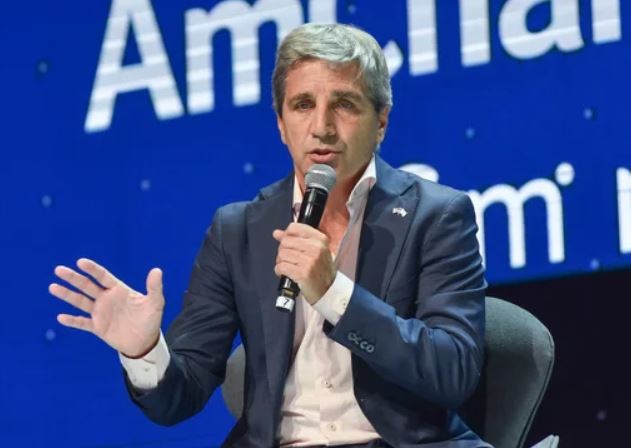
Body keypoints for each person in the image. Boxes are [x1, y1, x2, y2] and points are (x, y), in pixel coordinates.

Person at [49, 23, 490, 448]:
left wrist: (333, 292)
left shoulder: (435, 215)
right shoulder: (238, 230)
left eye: (344, 104)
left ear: (381, 123)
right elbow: (178, 398)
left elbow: (452, 370)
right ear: (281, 124)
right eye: (303, 105)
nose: (322, 127)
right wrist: (145, 350)